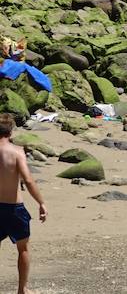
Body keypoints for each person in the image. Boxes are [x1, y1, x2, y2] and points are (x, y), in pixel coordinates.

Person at [0, 113, 47, 294]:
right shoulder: (17, 151)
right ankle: (22, 289)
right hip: (14, 208)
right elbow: (28, 180)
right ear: (11, 132)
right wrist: (41, 203)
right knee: (23, 248)